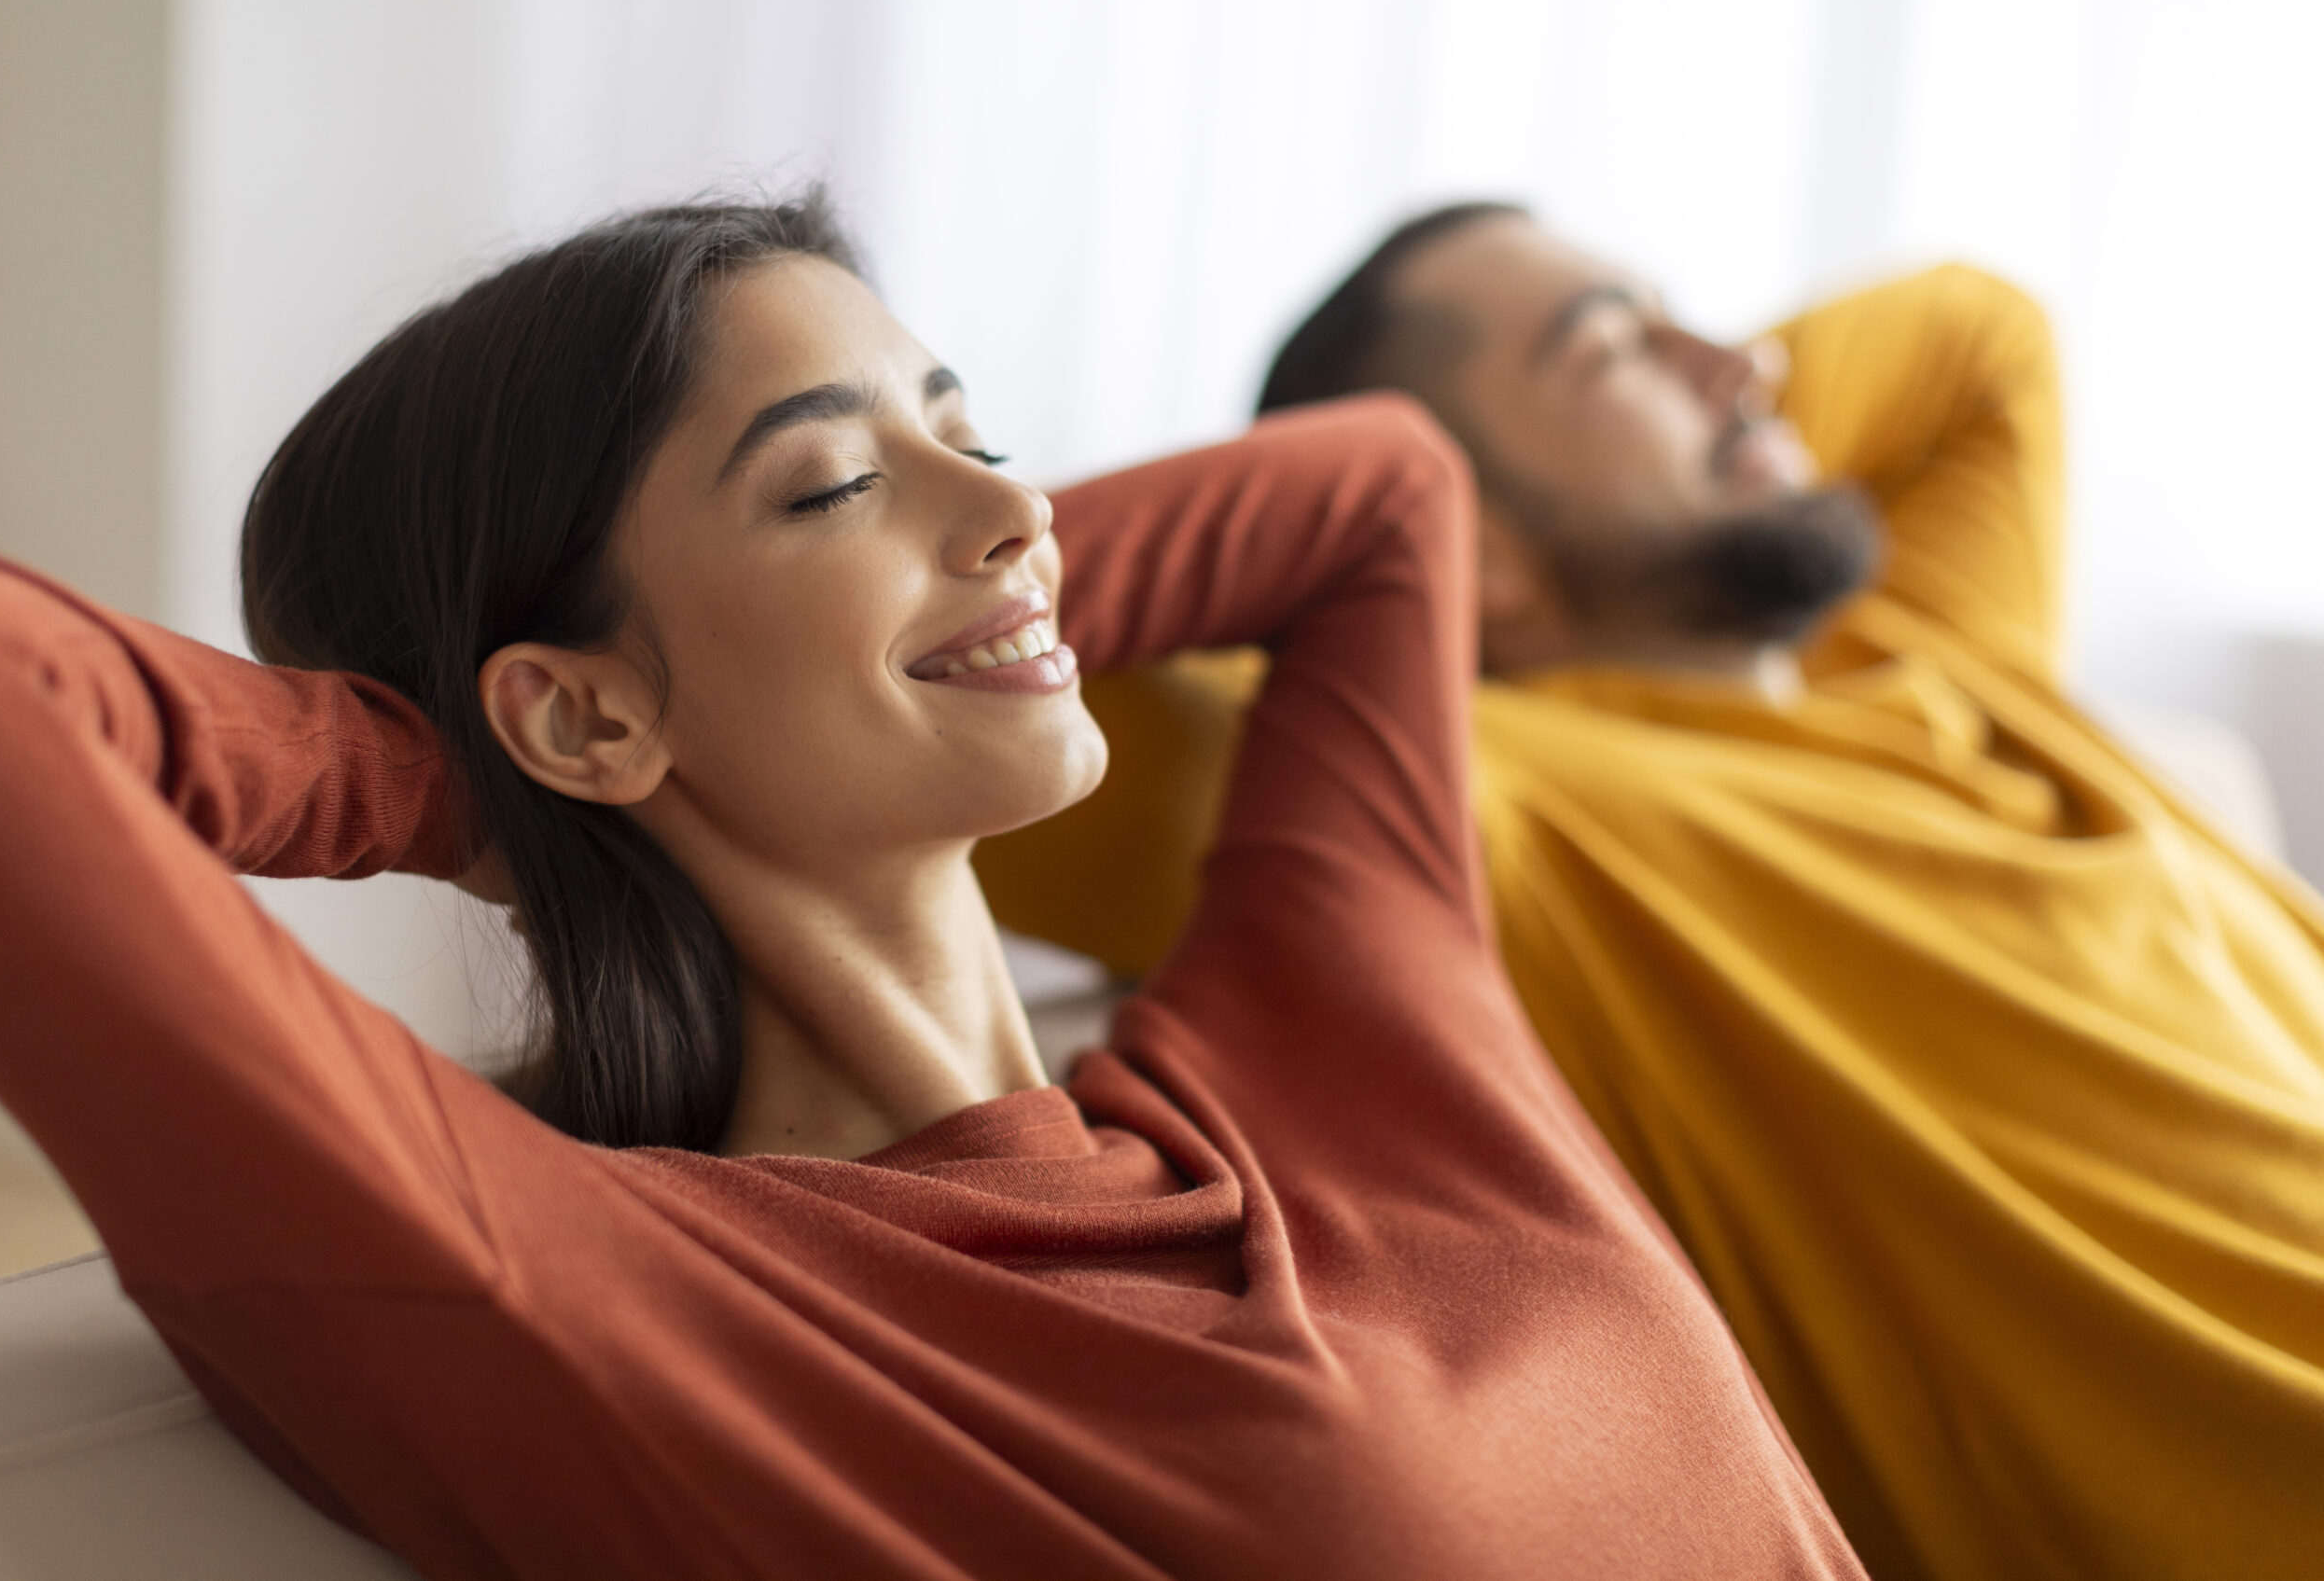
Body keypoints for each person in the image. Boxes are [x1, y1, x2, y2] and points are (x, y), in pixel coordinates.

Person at [0, 197, 1866, 1579]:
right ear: (578, 708)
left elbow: (1378, 489)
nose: (1017, 512)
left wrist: (845, 630)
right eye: (829, 486)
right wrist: (461, 772)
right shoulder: (615, 1299)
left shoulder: (1345, 1030)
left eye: (975, 435)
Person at [978, 203, 2324, 1581]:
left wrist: (1675, 393)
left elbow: (1981, 339)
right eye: (1614, 346)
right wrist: (1397, 494)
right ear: (1473, 545)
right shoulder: (1482, 816)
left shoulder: (1930, 645)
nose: (1743, 363)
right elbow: (908, 643)